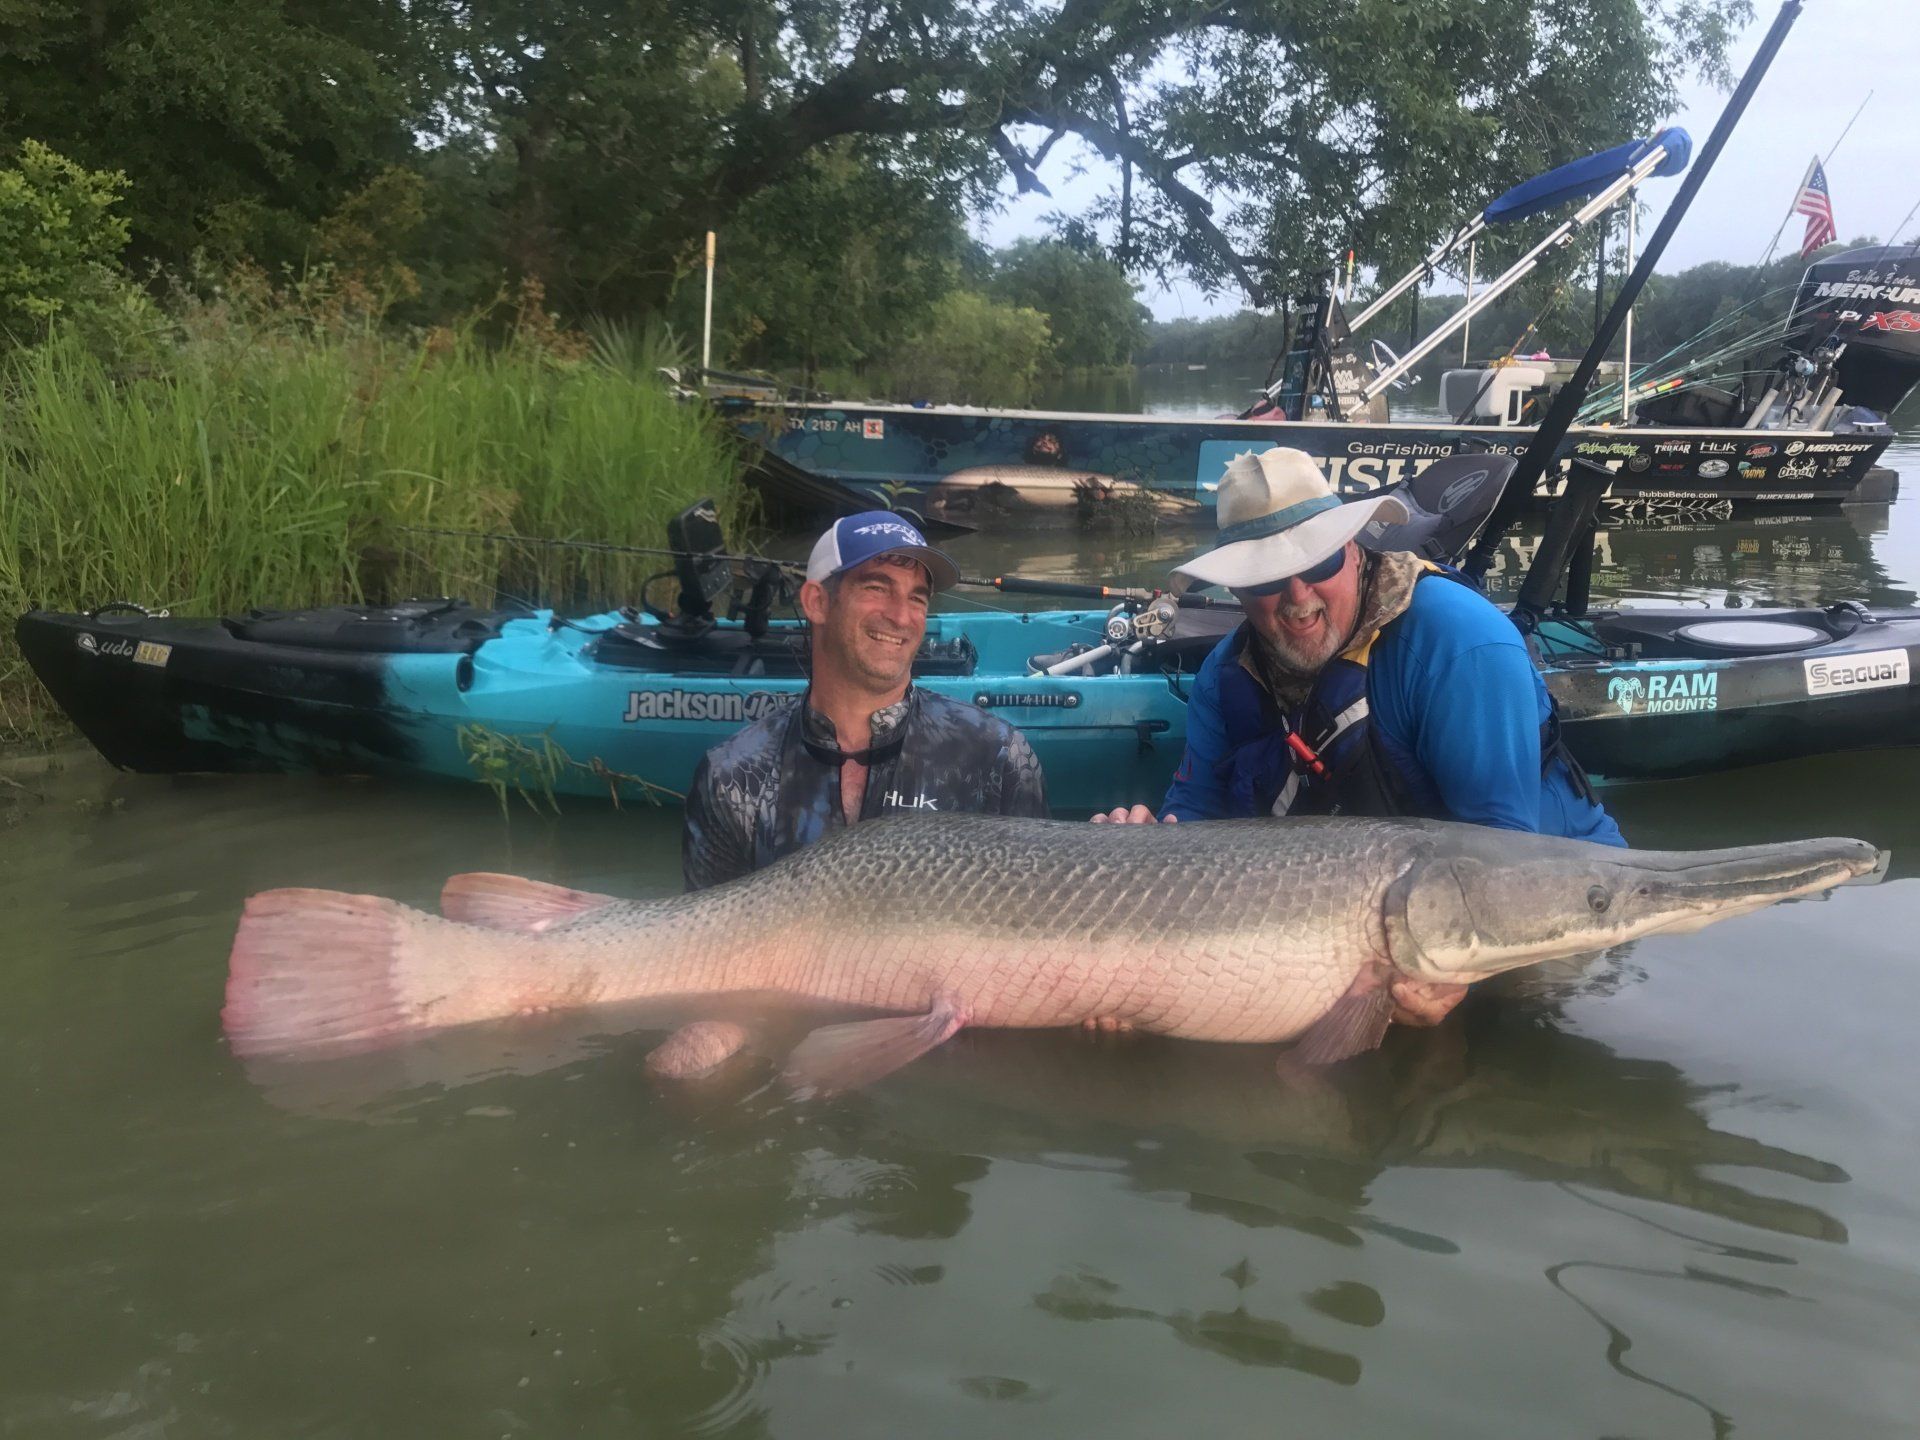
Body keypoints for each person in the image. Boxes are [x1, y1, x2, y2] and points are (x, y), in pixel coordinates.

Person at [1093, 446, 1624, 1028]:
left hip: (1545, 920)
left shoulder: (1463, 645)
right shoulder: (1225, 677)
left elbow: (1502, 864)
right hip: (1357, 925)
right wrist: (1141, 863)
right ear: (1237, 591)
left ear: (1353, 550)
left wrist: (1448, 975)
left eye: (1319, 564)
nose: (1298, 599)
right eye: (1268, 578)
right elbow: (1193, 819)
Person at [683, 511, 1049, 890]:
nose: (902, 616)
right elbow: (708, 942)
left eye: (917, 598)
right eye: (877, 588)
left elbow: (1036, 915)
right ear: (816, 602)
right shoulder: (731, 777)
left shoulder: (997, 756)